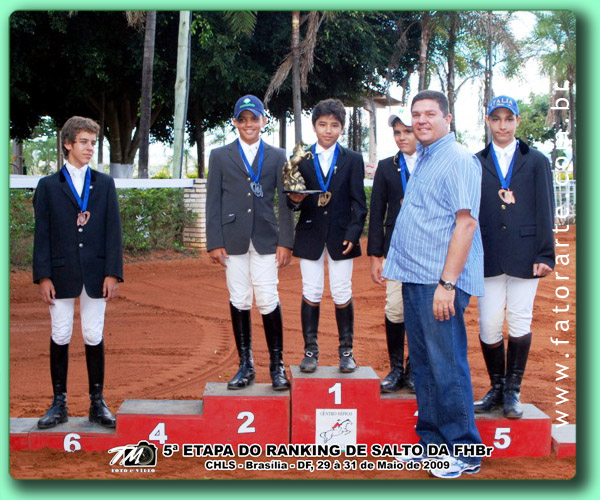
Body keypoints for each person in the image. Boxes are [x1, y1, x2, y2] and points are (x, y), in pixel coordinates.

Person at [383, 90, 484, 478]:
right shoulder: (425, 157)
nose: (421, 121)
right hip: (415, 276)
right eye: (416, 115)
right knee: (423, 365)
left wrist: (448, 283)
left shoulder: (457, 160)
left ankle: (465, 450)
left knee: (447, 364)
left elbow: (466, 223)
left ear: (447, 118)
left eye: (430, 114)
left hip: (438, 282)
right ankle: (433, 444)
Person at [33, 116, 123, 429]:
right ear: (68, 144)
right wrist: (43, 276)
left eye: (93, 143)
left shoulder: (104, 183)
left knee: (93, 333)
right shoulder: (47, 186)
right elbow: (41, 233)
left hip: (97, 273)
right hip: (60, 273)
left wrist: (113, 272)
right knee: (60, 333)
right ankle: (59, 404)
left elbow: (114, 231)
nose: (89, 148)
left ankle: (97, 403)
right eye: (83, 142)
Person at [473, 96, 555, 419]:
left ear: (517, 121)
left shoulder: (536, 161)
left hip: (525, 255)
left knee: (519, 319)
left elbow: (545, 208)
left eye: (509, 119)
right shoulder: (476, 161)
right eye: (496, 119)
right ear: (488, 121)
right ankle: (495, 386)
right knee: (489, 323)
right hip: (488, 254)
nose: (503, 125)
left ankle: (512, 391)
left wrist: (545, 253)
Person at [206, 95, 294, 391]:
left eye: (254, 119)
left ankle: (277, 365)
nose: (248, 124)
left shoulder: (277, 155)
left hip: (267, 239)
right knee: (240, 298)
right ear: (235, 123)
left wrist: (286, 241)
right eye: (242, 119)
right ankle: (246, 365)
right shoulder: (219, 156)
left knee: (268, 297)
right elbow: (212, 202)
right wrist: (215, 241)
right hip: (233, 240)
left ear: (263, 122)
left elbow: (283, 202)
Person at [287, 98, 367, 373]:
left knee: (342, 290)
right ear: (314, 126)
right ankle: (310, 352)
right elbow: (290, 201)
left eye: (334, 125)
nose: (328, 130)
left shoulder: (353, 159)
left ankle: (347, 352)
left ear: (342, 128)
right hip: (310, 232)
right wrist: (296, 201)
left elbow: (359, 202)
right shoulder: (300, 157)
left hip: (341, 236)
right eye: (323, 124)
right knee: (311, 290)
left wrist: (354, 233)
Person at [367, 110, 417, 393]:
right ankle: (397, 368)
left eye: (407, 132)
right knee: (395, 309)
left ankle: (414, 370)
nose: (401, 137)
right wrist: (376, 255)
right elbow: (376, 213)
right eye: (397, 133)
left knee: (419, 311)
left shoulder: (432, 163)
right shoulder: (387, 167)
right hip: (395, 250)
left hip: (426, 252)